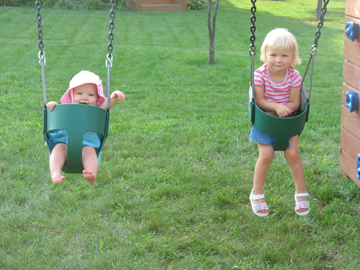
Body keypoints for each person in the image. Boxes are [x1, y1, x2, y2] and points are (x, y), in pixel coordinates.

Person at [249, 28, 310, 217]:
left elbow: (294, 102)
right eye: (273, 54)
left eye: (284, 55)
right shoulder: (259, 75)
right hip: (265, 121)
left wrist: (284, 109)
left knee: (293, 153)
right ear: (265, 54)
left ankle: (301, 194)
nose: (278, 60)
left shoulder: (294, 76)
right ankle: (256, 194)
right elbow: (259, 101)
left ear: (293, 57)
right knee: (266, 154)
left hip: (288, 121)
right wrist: (276, 107)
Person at [46, 70, 125, 185]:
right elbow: (56, 113)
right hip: (64, 143)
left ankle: (91, 174)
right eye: (79, 93)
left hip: (87, 144)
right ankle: (55, 172)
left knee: (90, 153)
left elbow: (107, 105)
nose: (84, 98)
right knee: (58, 149)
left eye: (91, 95)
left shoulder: (97, 110)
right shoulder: (67, 109)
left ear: (97, 98)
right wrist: (52, 105)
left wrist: (115, 96)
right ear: (71, 95)